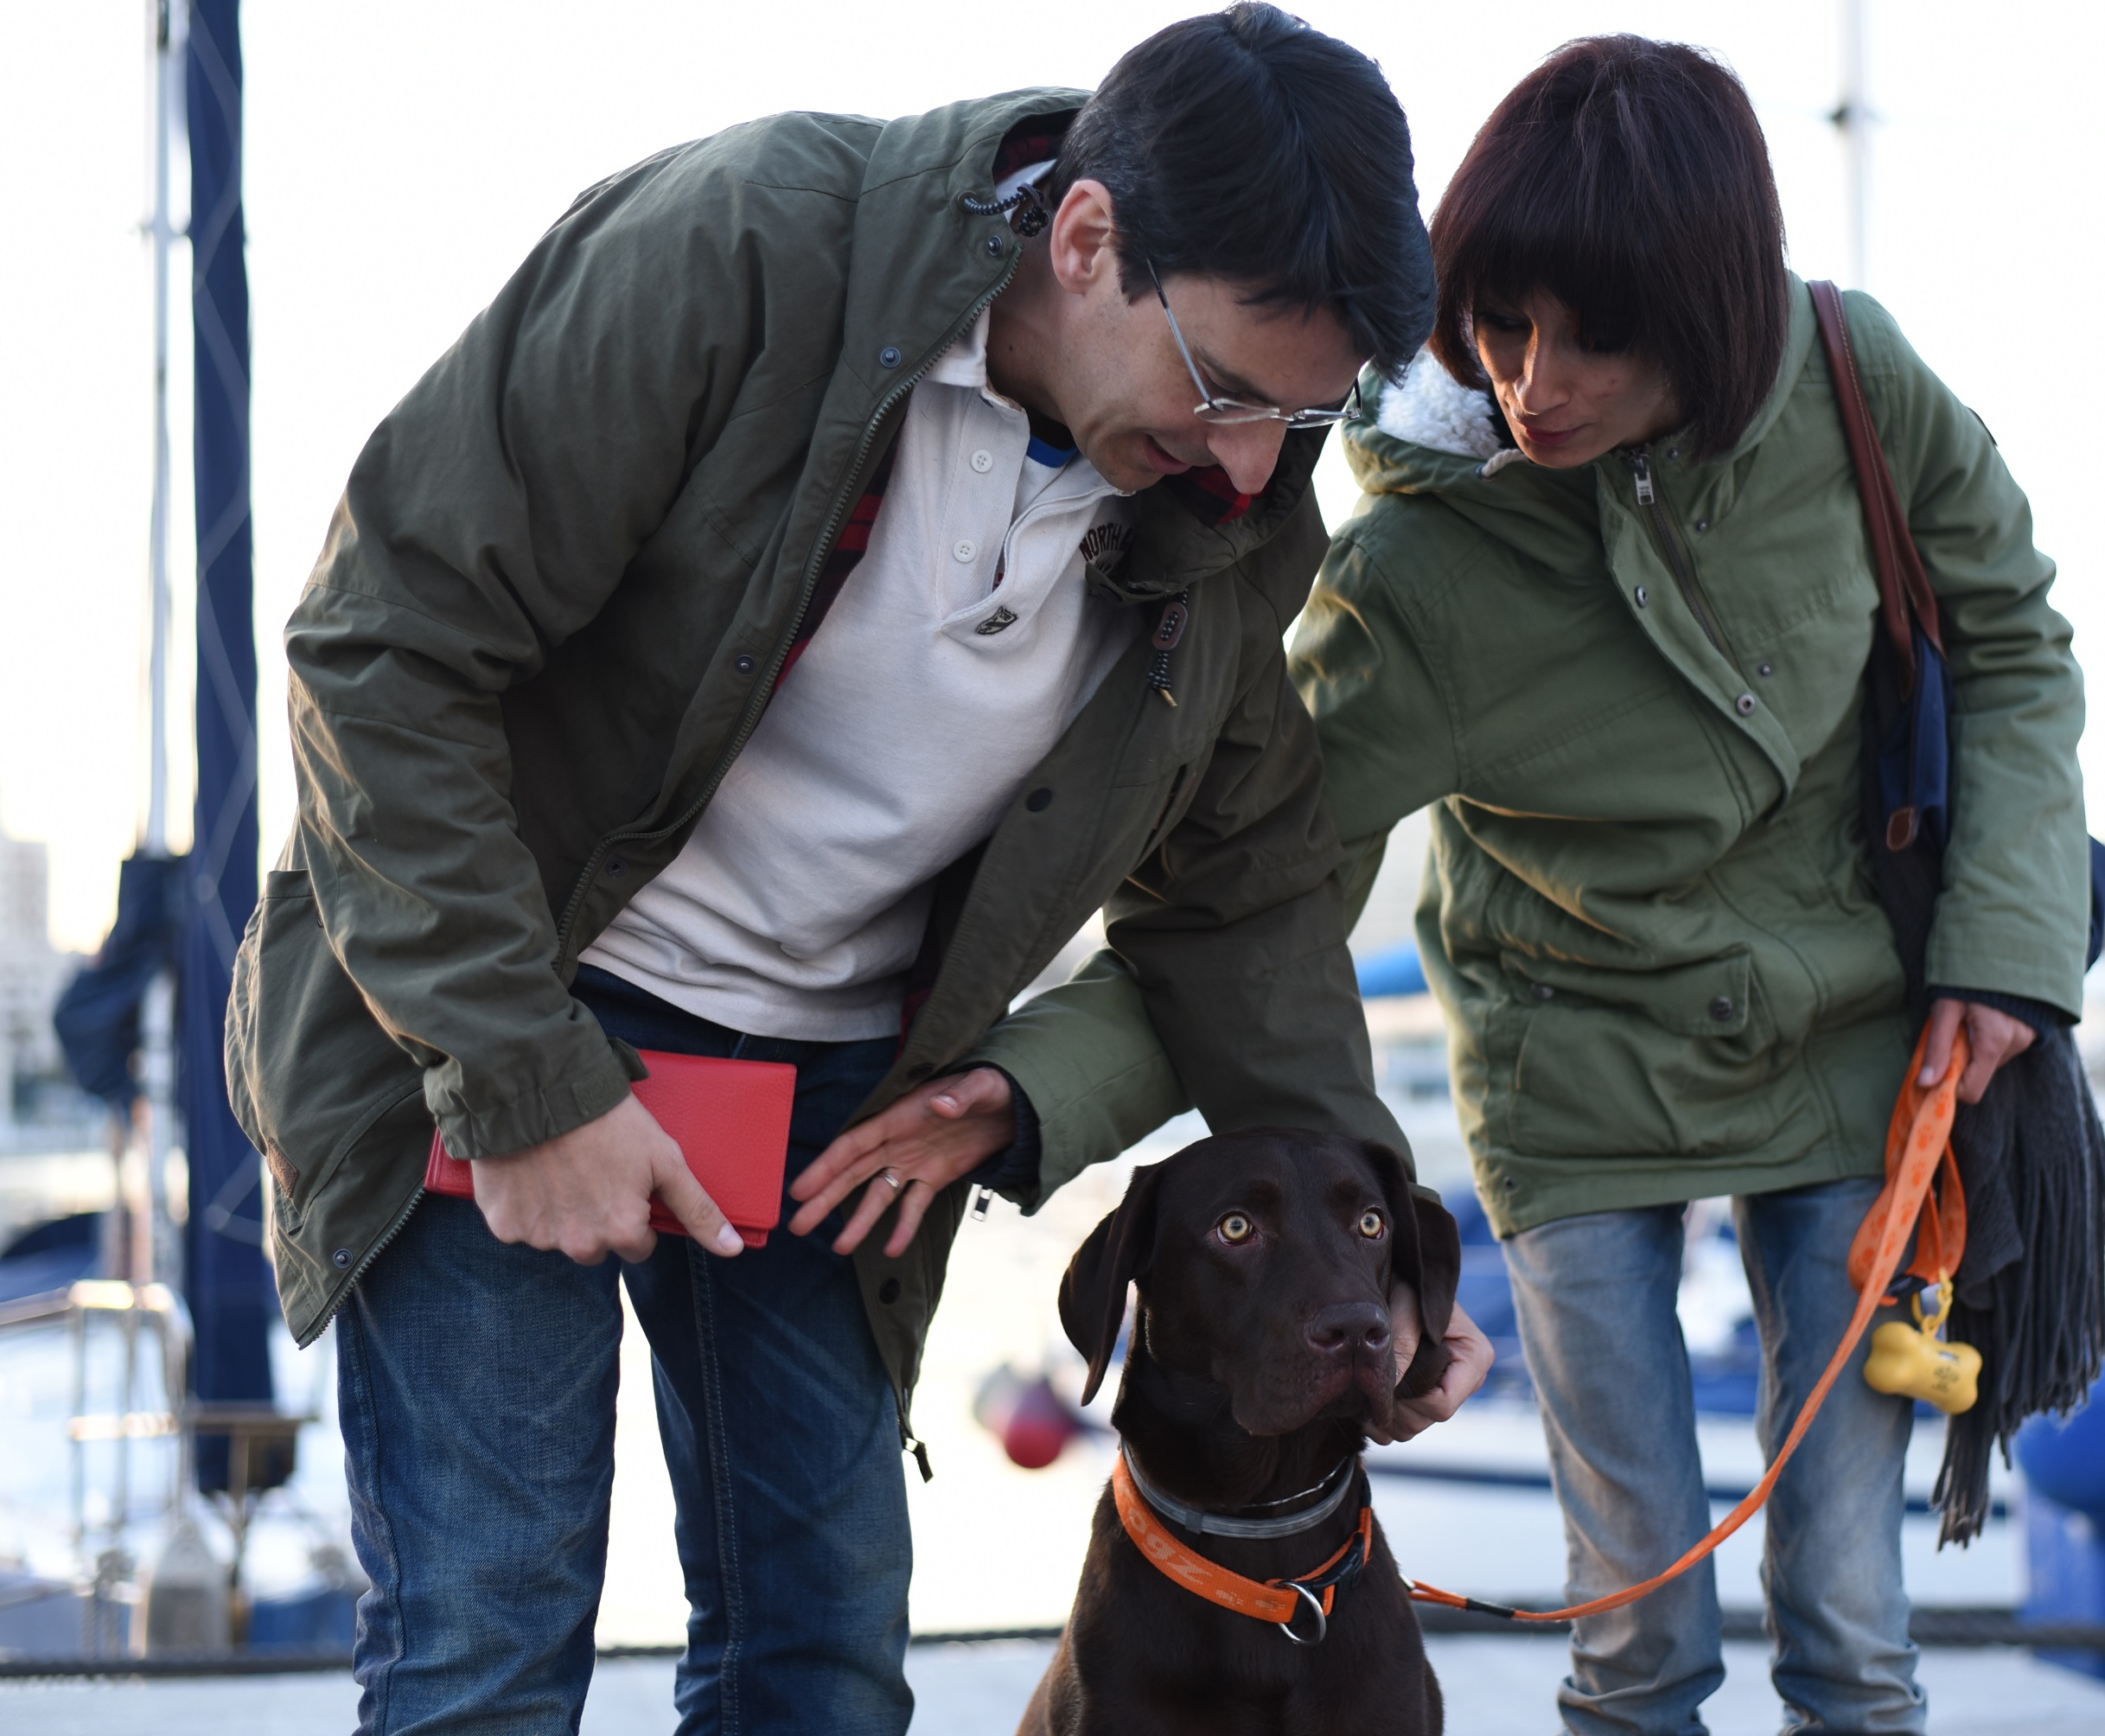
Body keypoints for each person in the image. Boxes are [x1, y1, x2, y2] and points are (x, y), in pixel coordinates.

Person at [226, 10, 1487, 1731]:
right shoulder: (737, 252)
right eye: (1221, 390)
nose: (1253, 467)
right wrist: (519, 1080)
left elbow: (1245, 894)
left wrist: (1381, 1278)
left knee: (820, 1659)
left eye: (1303, 417)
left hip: (821, 1092)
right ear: (1087, 234)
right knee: (488, 1648)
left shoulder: (1230, 515)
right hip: (496, 994)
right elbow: (380, 643)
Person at [946, 34, 2089, 1736]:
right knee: (1639, 1638)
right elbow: (1240, 905)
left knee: (1853, 1620)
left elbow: (2012, 645)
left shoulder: (1855, 375)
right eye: (1498, 324)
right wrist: (1023, 1085)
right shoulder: (1412, 573)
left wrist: (2007, 953)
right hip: (1574, 1087)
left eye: (1594, 338)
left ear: (1706, 318)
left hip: (1859, 1049)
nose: (1534, 379)